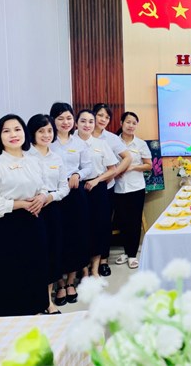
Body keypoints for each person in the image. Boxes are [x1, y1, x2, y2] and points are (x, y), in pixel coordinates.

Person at [0, 114, 49, 316]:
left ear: (25, 133)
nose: (13, 134)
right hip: (9, 227)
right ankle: (16, 325)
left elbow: (43, 186)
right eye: (6, 131)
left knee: (37, 272)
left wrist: (42, 197)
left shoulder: (33, 161)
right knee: (14, 278)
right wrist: (20, 204)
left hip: (35, 222)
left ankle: (37, 315)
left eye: (17, 129)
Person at [50, 102, 92, 305]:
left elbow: (89, 167)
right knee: (58, 238)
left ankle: (70, 282)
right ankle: (59, 283)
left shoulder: (79, 143)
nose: (65, 122)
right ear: (53, 120)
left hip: (75, 195)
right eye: (60, 118)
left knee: (76, 237)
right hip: (55, 197)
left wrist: (77, 174)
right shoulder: (48, 142)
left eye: (68, 118)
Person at [28, 114, 70, 314]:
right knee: (36, 255)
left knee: (52, 253)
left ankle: (47, 301)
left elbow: (64, 187)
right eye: (41, 131)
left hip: (52, 208)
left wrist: (51, 197)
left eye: (49, 131)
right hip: (32, 210)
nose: (46, 135)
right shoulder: (26, 157)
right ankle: (34, 302)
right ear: (32, 133)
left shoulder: (57, 157)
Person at [75, 109, 118, 277]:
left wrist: (96, 180)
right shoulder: (70, 143)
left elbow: (112, 169)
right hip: (76, 189)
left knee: (99, 228)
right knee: (80, 229)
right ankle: (83, 270)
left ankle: (94, 269)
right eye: (83, 121)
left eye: (90, 121)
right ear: (76, 123)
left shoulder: (101, 144)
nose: (87, 125)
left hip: (97, 187)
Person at [92, 103, 132, 276]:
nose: (103, 119)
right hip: (85, 188)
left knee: (104, 225)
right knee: (87, 226)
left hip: (105, 187)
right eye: (100, 115)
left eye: (107, 117)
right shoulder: (80, 134)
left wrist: (114, 173)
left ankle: (103, 260)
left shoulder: (111, 138)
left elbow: (128, 157)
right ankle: (86, 263)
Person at [114, 112, 152, 269]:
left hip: (136, 187)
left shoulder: (140, 144)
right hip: (118, 187)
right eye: (128, 122)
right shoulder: (113, 142)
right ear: (121, 123)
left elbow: (149, 165)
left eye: (134, 123)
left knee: (134, 222)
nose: (131, 125)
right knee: (122, 221)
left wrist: (132, 167)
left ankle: (132, 254)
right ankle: (125, 251)